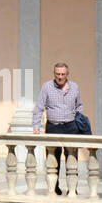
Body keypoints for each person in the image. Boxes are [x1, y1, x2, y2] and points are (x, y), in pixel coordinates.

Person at [33, 62, 82, 195]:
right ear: (54, 73)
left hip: (71, 127)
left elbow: (79, 106)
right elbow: (39, 107)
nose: (60, 77)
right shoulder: (47, 87)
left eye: (62, 74)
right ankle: (54, 187)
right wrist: (36, 126)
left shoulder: (75, 87)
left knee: (72, 158)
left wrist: (79, 123)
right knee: (53, 159)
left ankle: (73, 188)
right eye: (57, 74)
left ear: (67, 74)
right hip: (53, 127)